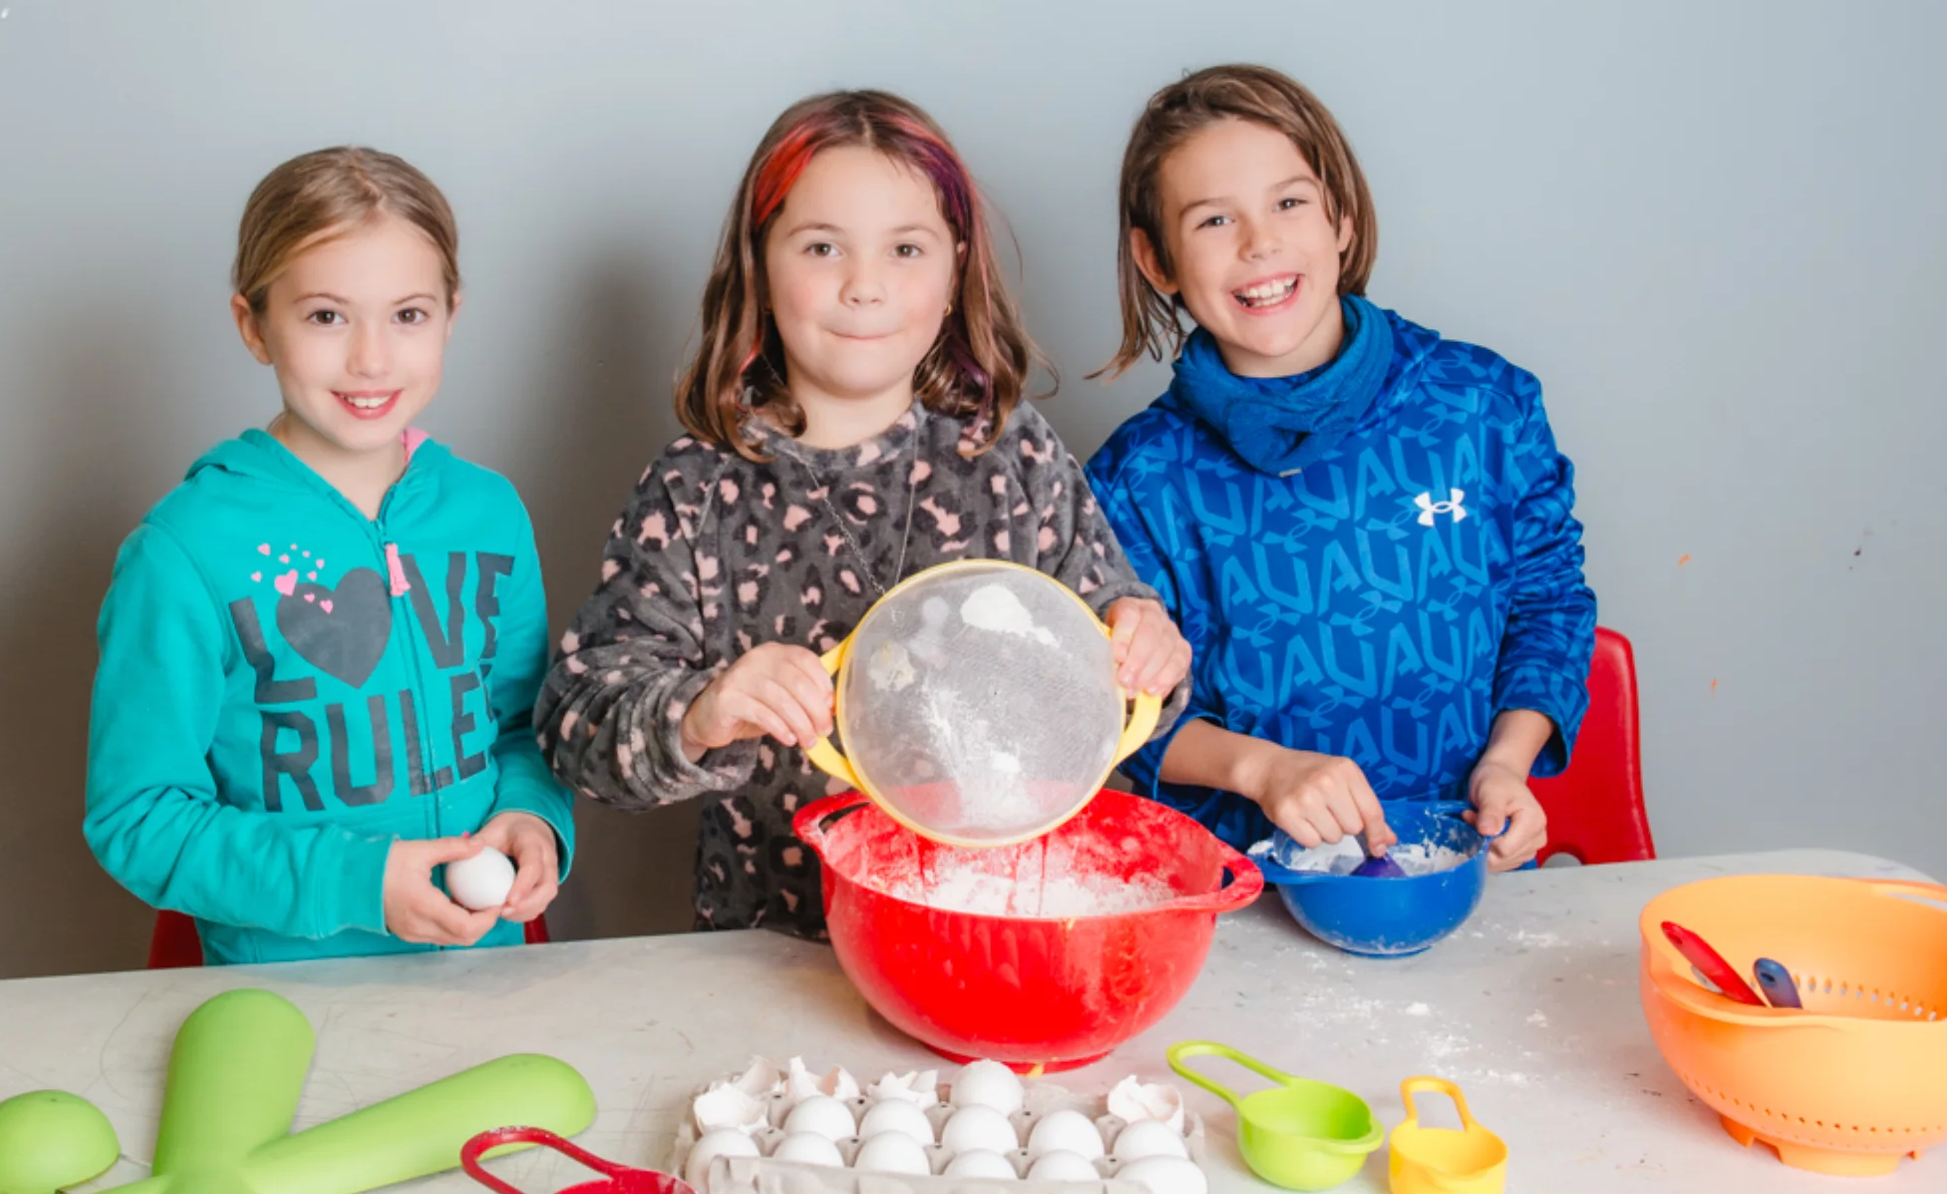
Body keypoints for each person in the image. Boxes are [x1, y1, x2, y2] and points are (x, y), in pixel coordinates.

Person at [538, 89, 1189, 936]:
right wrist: (701, 711)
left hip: (993, 932)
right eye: (821, 247)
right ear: (759, 265)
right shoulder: (696, 488)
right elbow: (576, 727)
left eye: (906, 249)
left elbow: (1118, 660)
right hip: (775, 953)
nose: (865, 287)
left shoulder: (1013, 453)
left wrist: (1146, 647)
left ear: (955, 270)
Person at [1085, 66, 1595, 871]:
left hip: (1468, 873)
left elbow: (1549, 604)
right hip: (1242, 898)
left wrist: (1507, 763)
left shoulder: (1482, 406)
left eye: (1290, 203)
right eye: (1215, 220)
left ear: (1342, 219)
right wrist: (1261, 769)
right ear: (1158, 263)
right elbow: (1113, 708)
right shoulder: (1136, 479)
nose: (1261, 243)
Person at [85, 147, 572, 960]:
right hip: (282, 997)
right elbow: (138, 814)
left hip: (485, 977)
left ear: (452, 312)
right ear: (253, 325)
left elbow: (524, 728)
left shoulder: (489, 513)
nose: (371, 359)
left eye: (408, 315)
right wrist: (359, 883)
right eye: (326, 316)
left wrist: (533, 817)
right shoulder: (183, 551)